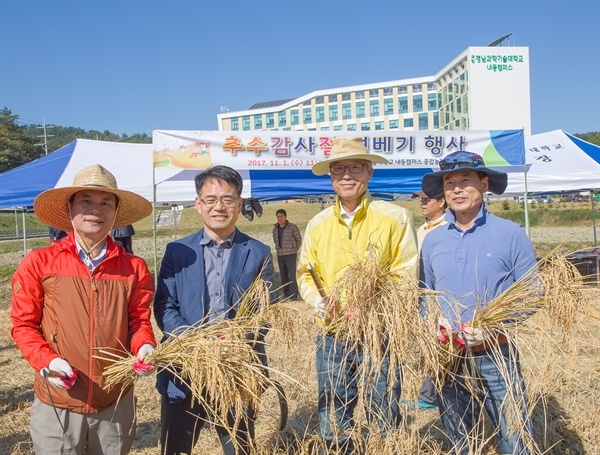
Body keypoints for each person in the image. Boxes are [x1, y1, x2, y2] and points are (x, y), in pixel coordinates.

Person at [10, 164, 156, 454]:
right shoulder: (40, 263)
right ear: (70, 208)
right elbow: (22, 326)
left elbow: (138, 321)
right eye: (86, 200)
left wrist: (145, 347)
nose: (95, 210)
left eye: (105, 203)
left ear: (115, 213)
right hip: (58, 401)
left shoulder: (133, 267)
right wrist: (48, 361)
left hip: (113, 402)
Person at [297, 137, 419, 453]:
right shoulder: (317, 224)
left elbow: (405, 275)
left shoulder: (395, 217)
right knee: (334, 412)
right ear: (331, 176)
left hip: (381, 334)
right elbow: (305, 274)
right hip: (333, 335)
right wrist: (320, 303)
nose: (346, 175)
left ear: (368, 173)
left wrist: (375, 310)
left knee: (385, 408)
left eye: (354, 167)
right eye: (339, 168)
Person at [419, 151, 537, 455]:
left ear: (484, 184)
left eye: (465, 180)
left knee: (515, 438)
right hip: (449, 358)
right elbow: (424, 296)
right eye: (449, 183)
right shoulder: (433, 239)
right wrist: (431, 324)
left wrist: (495, 328)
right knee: (462, 442)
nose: (457, 189)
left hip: (497, 354)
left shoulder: (510, 234)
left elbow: (533, 292)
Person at [154, 165, 277, 455]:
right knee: (175, 448)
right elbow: (165, 306)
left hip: (238, 367)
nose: (219, 207)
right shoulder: (177, 251)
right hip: (184, 366)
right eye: (210, 199)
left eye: (227, 199)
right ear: (198, 204)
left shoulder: (258, 252)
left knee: (240, 446)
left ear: (240, 204)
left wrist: (236, 339)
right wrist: (197, 341)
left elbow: (265, 310)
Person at [272, 208, 302, 300]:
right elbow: (275, 241)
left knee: (292, 275)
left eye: (281, 216)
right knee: (283, 275)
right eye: (278, 217)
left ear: (285, 217)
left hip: (291, 254)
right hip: (280, 255)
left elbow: (299, 240)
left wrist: (294, 249)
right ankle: (286, 294)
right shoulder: (275, 229)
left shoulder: (292, 227)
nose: (279, 218)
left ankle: (294, 295)